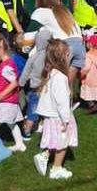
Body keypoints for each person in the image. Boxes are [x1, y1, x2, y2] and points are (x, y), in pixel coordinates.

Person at [24, 0, 85, 99]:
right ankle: (67, 110)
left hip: (64, 46)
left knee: (53, 81)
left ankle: (47, 108)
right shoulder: (63, 10)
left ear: (38, 1)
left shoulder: (40, 12)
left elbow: (29, 35)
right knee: (68, 84)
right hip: (79, 46)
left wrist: (25, 49)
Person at [33, 39, 78, 179]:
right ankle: (56, 169)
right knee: (63, 142)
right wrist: (66, 119)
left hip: (52, 116)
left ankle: (44, 155)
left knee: (55, 139)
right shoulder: (60, 77)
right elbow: (62, 102)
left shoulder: (51, 73)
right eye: (67, 54)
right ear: (63, 57)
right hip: (60, 117)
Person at [19, 30, 52, 140]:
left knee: (32, 109)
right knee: (46, 107)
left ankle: (27, 131)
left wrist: (21, 83)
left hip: (35, 87)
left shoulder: (34, 56)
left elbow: (26, 72)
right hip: (47, 87)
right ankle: (42, 126)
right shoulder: (50, 56)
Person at [80, 35, 97, 112]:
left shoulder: (88, 55)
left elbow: (86, 68)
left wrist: (81, 74)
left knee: (88, 90)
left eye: (87, 42)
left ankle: (91, 104)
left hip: (90, 78)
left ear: (90, 44)